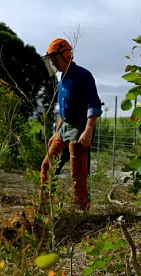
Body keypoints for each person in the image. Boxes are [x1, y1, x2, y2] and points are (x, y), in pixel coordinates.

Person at [40, 38, 102, 211]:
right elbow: (63, 110)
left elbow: (93, 104)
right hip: (64, 127)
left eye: (54, 59)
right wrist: (56, 132)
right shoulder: (62, 80)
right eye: (50, 60)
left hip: (80, 127)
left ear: (66, 55)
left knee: (78, 173)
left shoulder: (83, 76)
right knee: (47, 165)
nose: (52, 63)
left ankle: (81, 210)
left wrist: (88, 130)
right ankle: (45, 207)